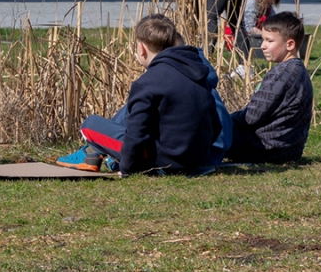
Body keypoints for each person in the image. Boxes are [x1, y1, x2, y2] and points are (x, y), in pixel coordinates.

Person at [56, 15, 222, 176]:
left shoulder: (148, 83)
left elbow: (136, 136)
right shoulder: (199, 75)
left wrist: (128, 168)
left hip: (162, 161)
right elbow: (216, 126)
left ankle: (91, 151)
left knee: (90, 124)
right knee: (129, 110)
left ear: (142, 49)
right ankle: (92, 153)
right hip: (195, 160)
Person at [226, 12, 313, 164]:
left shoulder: (282, 73)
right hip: (290, 149)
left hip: (267, 148)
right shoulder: (299, 70)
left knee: (209, 132)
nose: (262, 46)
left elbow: (251, 117)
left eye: (269, 41)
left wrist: (224, 121)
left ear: (290, 44)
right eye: (263, 39)